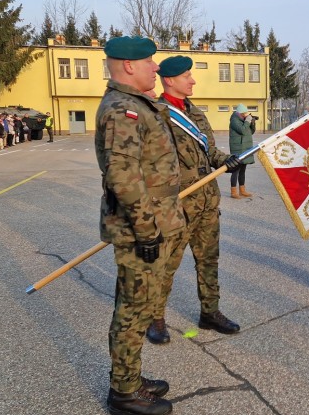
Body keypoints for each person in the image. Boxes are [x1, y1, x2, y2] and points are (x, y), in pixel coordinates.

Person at [95, 36, 185, 415]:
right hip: (140, 227)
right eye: (150, 62)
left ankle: (131, 379)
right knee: (133, 311)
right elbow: (123, 175)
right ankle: (124, 393)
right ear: (130, 66)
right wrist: (147, 230)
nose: (155, 68)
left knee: (143, 305)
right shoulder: (122, 109)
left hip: (159, 216)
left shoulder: (137, 104)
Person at [146, 55, 242, 344]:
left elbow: (210, 152)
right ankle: (156, 318)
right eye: (187, 75)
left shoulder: (196, 113)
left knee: (209, 260)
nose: (193, 79)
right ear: (170, 80)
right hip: (177, 204)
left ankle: (209, 312)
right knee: (167, 264)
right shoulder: (157, 114)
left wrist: (228, 160)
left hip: (207, 200)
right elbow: (151, 163)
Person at [228, 104, 256, 198]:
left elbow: (250, 132)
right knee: (236, 170)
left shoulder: (243, 120)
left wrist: (252, 123)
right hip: (238, 148)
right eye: (244, 114)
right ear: (239, 113)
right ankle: (233, 192)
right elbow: (243, 130)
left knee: (243, 170)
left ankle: (242, 190)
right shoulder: (234, 121)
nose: (245, 115)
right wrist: (247, 121)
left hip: (245, 147)